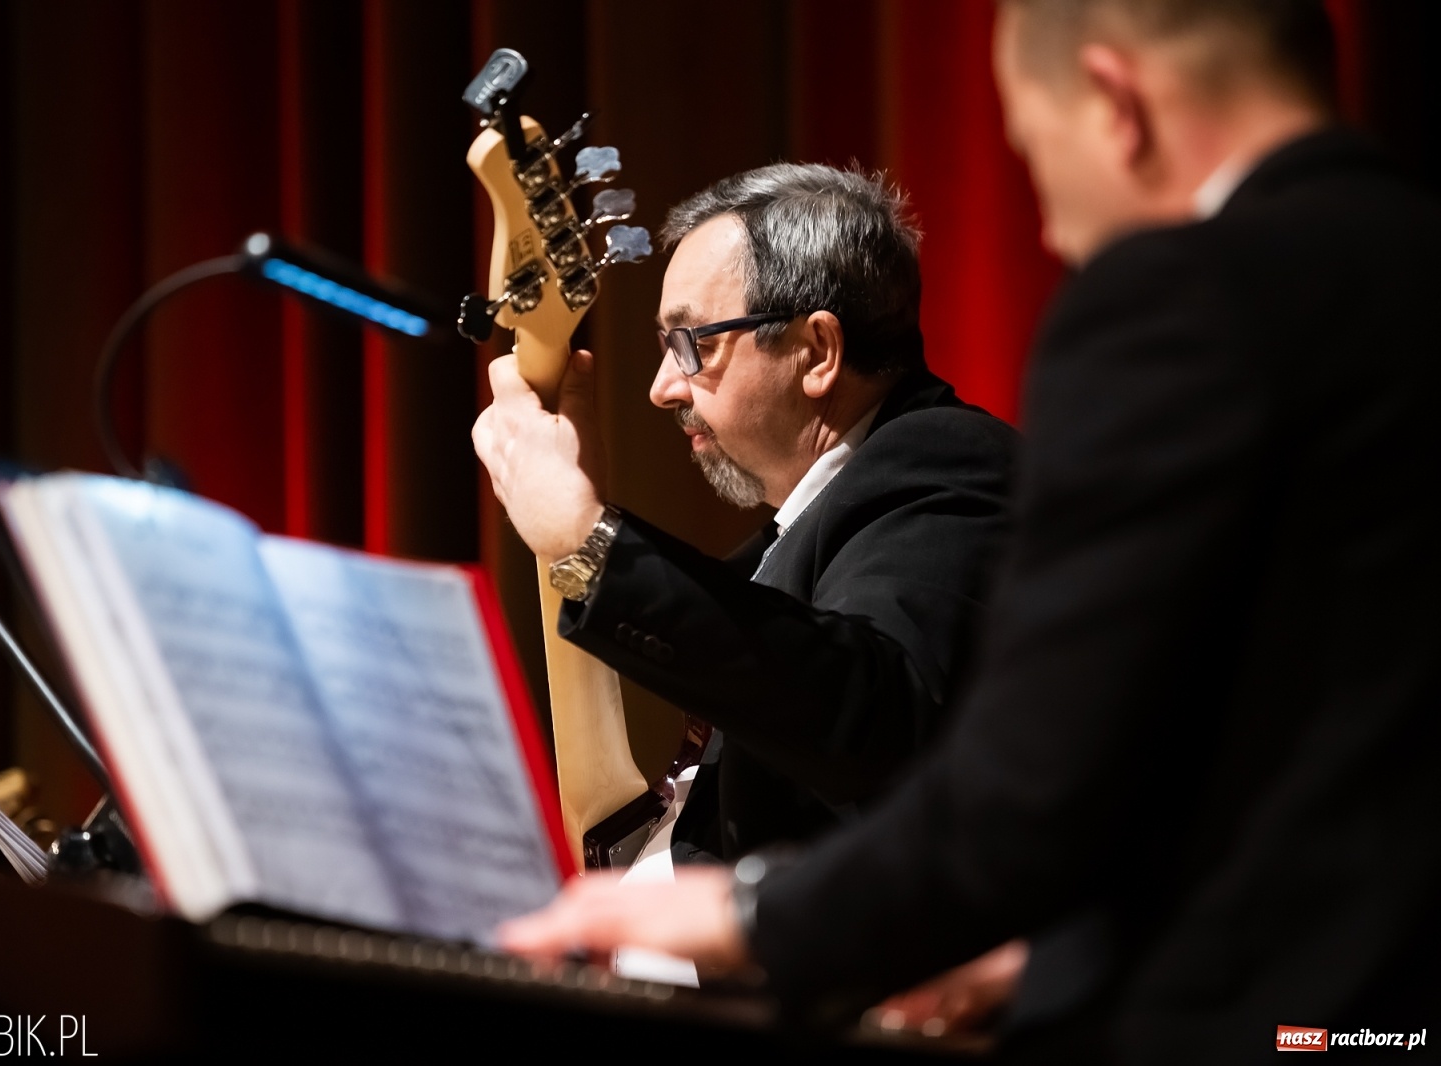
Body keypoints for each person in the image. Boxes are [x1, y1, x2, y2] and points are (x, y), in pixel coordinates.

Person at [496, 0, 1441, 1059]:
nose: (1051, 230)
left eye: (1034, 148)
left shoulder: (1183, 300)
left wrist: (745, 915)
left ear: (1115, 102)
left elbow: (1012, 774)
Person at [472, 164, 1015, 872]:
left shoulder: (947, 462)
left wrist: (588, 539)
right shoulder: (803, 532)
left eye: (690, 344)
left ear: (817, 352)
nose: (662, 389)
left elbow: (873, 716)